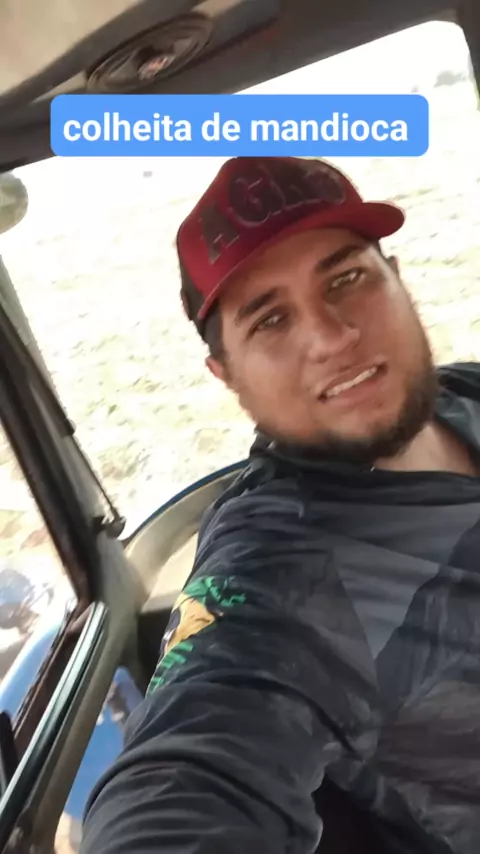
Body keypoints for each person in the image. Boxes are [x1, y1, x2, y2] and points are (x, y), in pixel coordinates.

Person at [80, 156, 480, 854]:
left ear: (397, 278)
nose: (331, 337)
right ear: (226, 375)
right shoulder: (277, 567)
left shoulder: (467, 392)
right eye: (269, 320)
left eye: (347, 279)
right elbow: (186, 773)